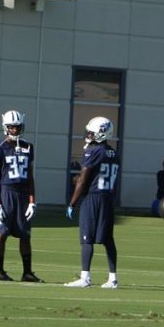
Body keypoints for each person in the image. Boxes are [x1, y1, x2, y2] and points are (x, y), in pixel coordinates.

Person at [64, 116, 120, 289]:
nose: (88, 135)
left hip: (93, 198)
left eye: (92, 132)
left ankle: (85, 277)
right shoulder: (113, 153)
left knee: (87, 238)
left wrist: (72, 203)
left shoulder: (92, 151)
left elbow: (83, 180)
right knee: (108, 239)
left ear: (101, 134)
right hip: (107, 198)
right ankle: (112, 279)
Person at [0, 110, 39, 282]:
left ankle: (27, 272)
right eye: (11, 127)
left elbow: (30, 177)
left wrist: (32, 201)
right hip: (6, 193)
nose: (15, 130)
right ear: (5, 127)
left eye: (17, 127)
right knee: (2, 234)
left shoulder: (28, 147)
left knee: (25, 235)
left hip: (23, 195)